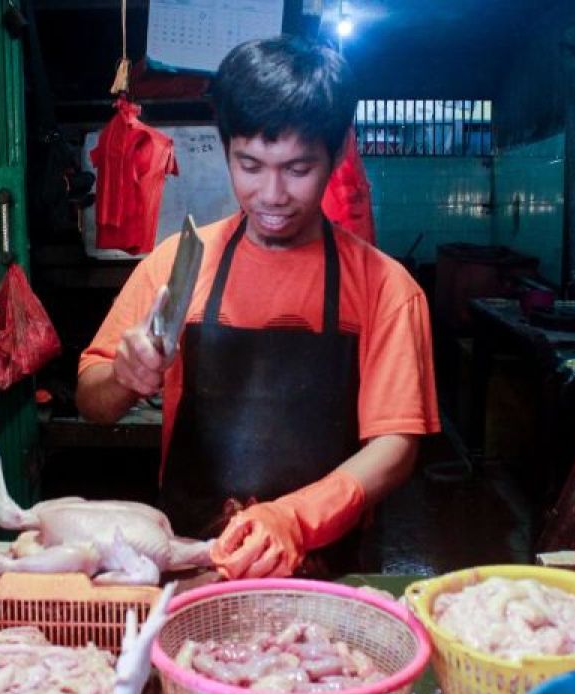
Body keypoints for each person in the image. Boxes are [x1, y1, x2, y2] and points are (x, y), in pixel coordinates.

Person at [76, 35, 440, 579]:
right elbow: (91, 399)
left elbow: (395, 446)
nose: (272, 194)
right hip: (191, 561)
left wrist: (296, 519)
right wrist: (125, 376)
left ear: (338, 152)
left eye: (297, 169)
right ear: (226, 149)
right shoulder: (179, 265)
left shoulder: (386, 287)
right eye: (249, 165)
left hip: (327, 570)